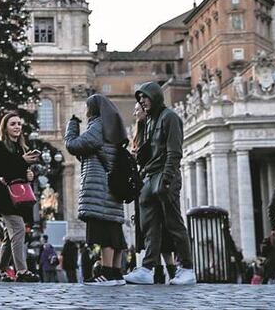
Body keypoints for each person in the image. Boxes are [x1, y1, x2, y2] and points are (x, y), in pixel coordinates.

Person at [124, 82, 195, 285]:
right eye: (140, 99)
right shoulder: (150, 121)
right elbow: (149, 153)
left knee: (173, 223)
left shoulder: (170, 117)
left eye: (144, 98)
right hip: (149, 176)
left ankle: (188, 268)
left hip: (164, 176)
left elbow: (174, 152)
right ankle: (147, 268)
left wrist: (166, 179)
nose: (142, 102)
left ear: (154, 97)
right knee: (150, 226)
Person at [65, 93, 129, 286]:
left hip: (99, 188)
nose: (85, 111)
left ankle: (106, 273)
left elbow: (73, 145)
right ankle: (116, 273)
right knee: (114, 231)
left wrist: (72, 126)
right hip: (111, 187)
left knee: (104, 232)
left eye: (87, 107)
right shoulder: (113, 126)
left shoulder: (98, 125)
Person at [0, 111, 41, 282]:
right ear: (5, 128)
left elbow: (19, 171)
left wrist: (29, 175)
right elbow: (3, 170)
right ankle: (22, 271)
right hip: (6, 196)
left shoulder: (21, 148)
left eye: (19, 123)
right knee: (18, 230)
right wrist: (22, 161)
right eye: (13, 124)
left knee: (9, 235)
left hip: (18, 197)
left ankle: (0, 271)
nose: (17, 126)